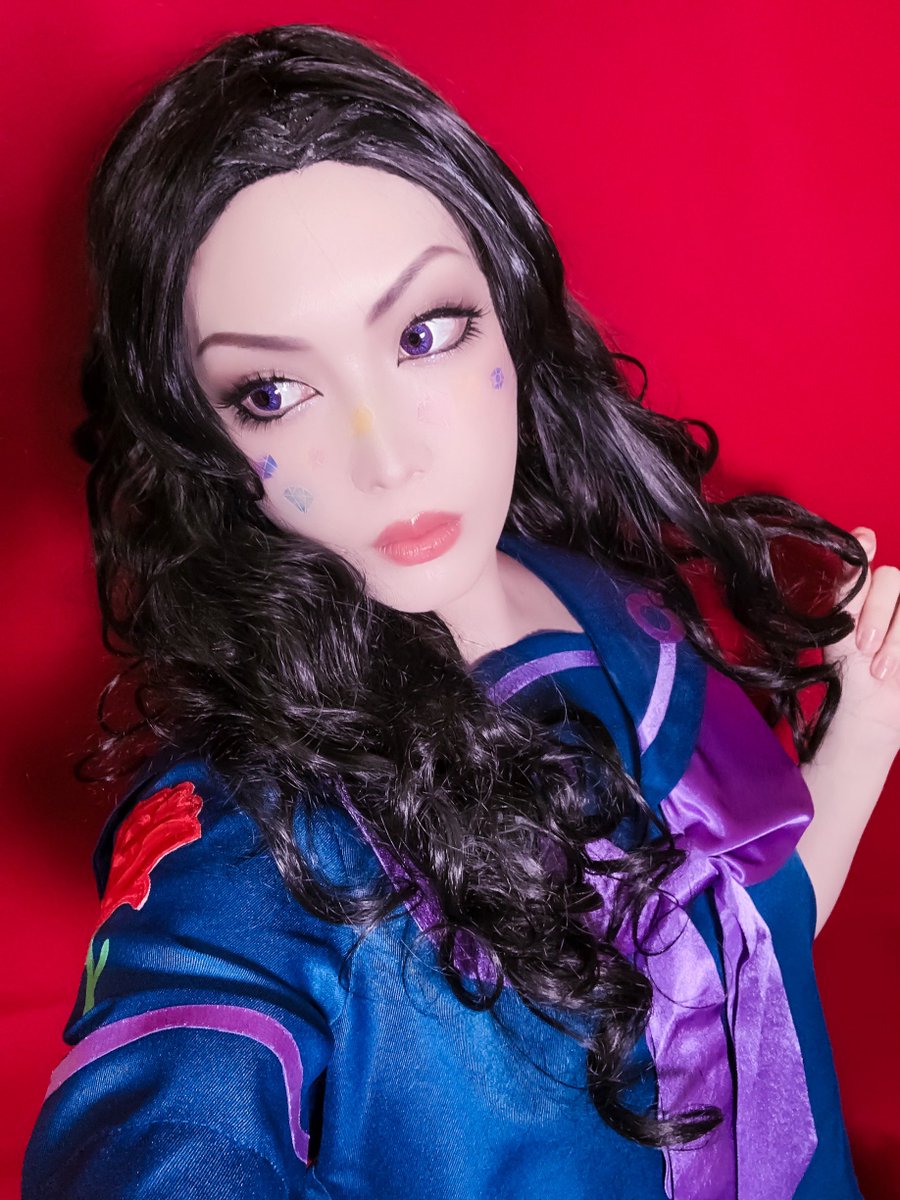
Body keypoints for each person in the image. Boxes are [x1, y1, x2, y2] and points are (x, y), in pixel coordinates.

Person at [21, 21, 900, 1200]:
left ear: (511, 307)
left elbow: (744, 963)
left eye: (424, 333)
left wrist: (867, 729)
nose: (387, 459)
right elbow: (170, 1113)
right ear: (201, 435)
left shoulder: (614, 616)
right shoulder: (262, 832)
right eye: (273, 392)